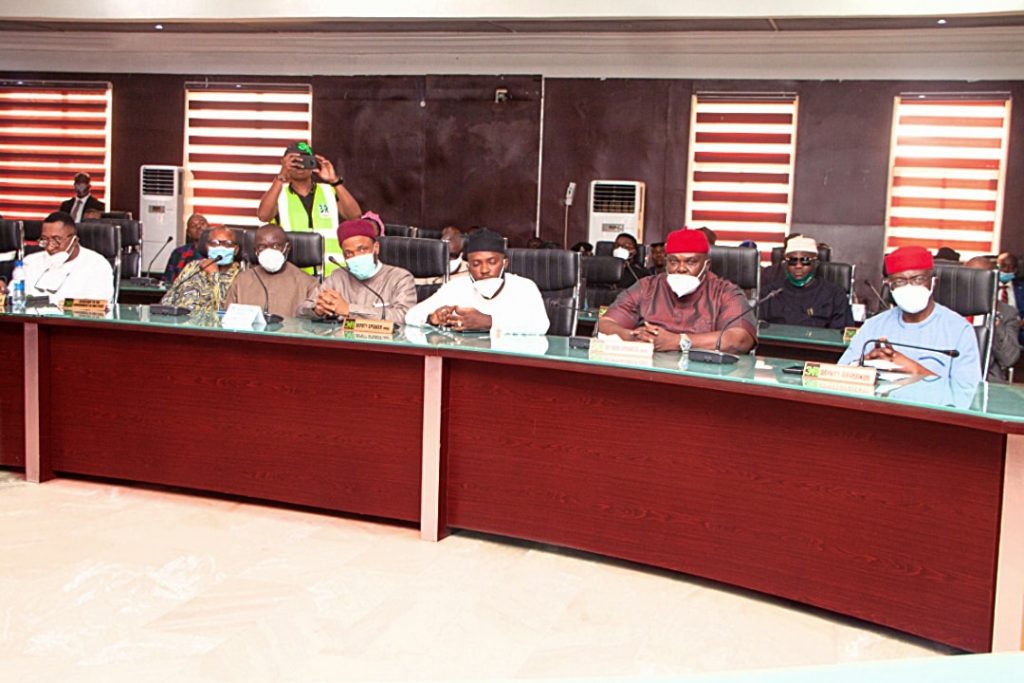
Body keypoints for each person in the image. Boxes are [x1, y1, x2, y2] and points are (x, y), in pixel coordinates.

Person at [598, 228, 756, 354]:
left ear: (706, 265)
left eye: (690, 262)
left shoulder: (725, 292)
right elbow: (605, 324)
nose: (681, 268)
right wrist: (634, 337)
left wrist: (678, 341)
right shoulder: (647, 286)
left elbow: (739, 340)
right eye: (674, 262)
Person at [839, 246, 981, 384]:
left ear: (933, 282)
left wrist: (915, 370)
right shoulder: (874, 325)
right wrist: (863, 365)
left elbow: (970, 391)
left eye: (918, 279)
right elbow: (840, 374)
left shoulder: (959, 330)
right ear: (890, 286)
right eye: (899, 281)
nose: (909, 286)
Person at [406, 228, 549, 334]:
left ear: (505, 263)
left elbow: (540, 326)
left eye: (492, 262)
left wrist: (489, 322)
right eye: (476, 264)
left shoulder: (524, 287)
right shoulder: (456, 287)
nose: (484, 270)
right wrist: (433, 318)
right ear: (468, 267)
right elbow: (411, 316)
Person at [256, 141, 362, 273]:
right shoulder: (278, 193)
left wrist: (335, 181)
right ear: (284, 164)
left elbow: (355, 216)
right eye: (295, 161)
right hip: (294, 273)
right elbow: (263, 216)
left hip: (331, 271)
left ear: (313, 163)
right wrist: (280, 176)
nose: (300, 165)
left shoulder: (328, 191)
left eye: (305, 160)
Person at [298, 219, 416, 322]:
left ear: (376, 248)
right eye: (349, 253)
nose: (356, 257)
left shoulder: (400, 278)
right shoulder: (337, 277)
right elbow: (301, 312)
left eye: (362, 249)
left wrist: (349, 309)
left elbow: (404, 316)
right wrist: (317, 310)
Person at [15, 211, 113, 304]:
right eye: (45, 239)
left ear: (74, 240)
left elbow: (98, 305)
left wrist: (51, 302)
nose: (50, 247)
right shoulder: (30, 262)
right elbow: (15, 298)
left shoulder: (97, 265)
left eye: (57, 239)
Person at [224, 225, 317, 319]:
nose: (269, 251)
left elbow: (314, 321)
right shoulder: (241, 281)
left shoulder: (308, 283)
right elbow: (228, 319)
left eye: (276, 246)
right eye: (262, 247)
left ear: (287, 248)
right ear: (256, 251)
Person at [760, 236, 852, 329]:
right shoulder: (769, 294)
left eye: (805, 260)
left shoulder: (835, 295)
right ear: (786, 264)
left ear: (815, 263)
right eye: (792, 261)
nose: (798, 266)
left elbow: (842, 333)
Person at [160, 226, 241, 313]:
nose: (220, 247)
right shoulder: (193, 266)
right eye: (214, 243)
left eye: (227, 244)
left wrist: (214, 275)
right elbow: (170, 295)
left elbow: (224, 309)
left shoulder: (240, 276)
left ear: (236, 250)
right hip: (177, 318)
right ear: (207, 247)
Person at [965, 255, 1020, 382]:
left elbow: (1010, 358)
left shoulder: (1007, 313)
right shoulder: (946, 308)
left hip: (987, 379)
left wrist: (997, 326)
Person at [163, 214, 210, 283]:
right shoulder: (178, 253)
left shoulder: (217, 252)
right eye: (193, 226)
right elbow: (168, 281)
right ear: (188, 233)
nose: (198, 227)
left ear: (209, 227)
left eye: (202, 223)